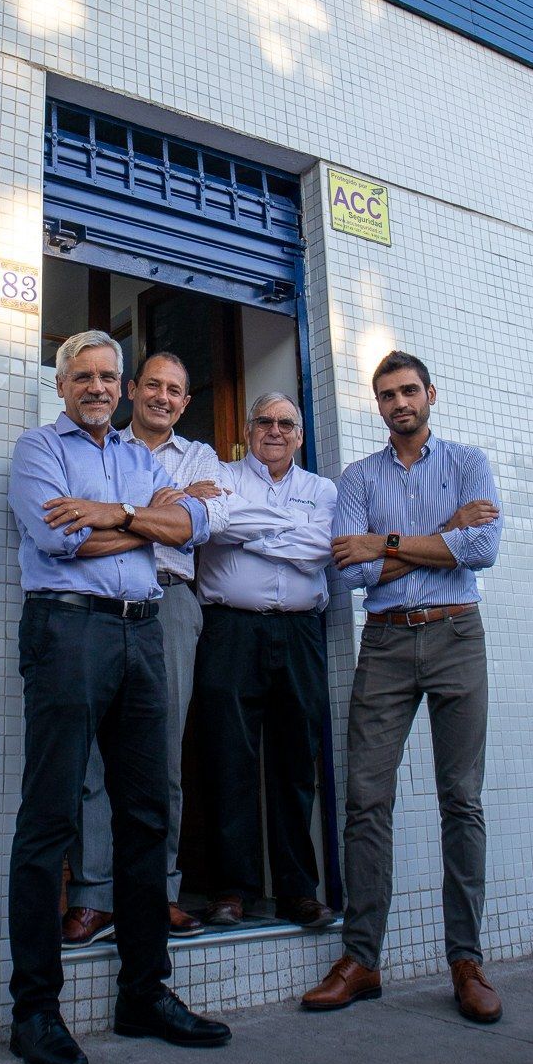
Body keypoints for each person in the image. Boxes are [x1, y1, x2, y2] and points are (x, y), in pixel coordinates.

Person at [7, 329, 231, 1064]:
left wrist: (111, 516)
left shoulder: (139, 457)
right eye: (86, 376)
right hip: (68, 630)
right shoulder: (38, 451)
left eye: (110, 377)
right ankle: (35, 1010)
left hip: (140, 637)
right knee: (52, 816)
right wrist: (141, 523)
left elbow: (190, 530)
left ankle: (144, 992)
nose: (99, 387)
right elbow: (54, 535)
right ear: (64, 383)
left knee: (146, 817)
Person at [301, 350, 504, 1024]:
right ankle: (361, 960)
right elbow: (348, 573)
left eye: (409, 390)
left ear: (430, 394)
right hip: (385, 644)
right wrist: (441, 535)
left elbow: (483, 549)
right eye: (387, 394)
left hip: (456, 637)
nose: (399, 403)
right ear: (379, 404)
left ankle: (466, 961)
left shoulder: (468, 462)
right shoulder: (358, 476)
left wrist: (384, 544)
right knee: (366, 801)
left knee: (461, 800)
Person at [63, 350, 230, 945]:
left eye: (175, 390)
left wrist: (125, 514)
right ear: (133, 390)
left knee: (162, 756)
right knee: (91, 755)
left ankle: (158, 892)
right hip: (103, 602)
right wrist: (158, 509)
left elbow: (206, 521)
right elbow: (75, 530)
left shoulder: (203, 458)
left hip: (173, 604)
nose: (163, 397)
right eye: (153, 386)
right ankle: (93, 897)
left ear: (186, 402)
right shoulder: (103, 447)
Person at [194, 392, 337, 929]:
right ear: (248, 429)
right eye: (263, 421)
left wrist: (256, 531)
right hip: (230, 629)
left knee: (295, 764)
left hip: (300, 633)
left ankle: (299, 890)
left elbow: (321, 547)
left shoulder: (322, 489)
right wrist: (283, 531)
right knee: (228, 759)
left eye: (285, 423)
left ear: (299, 435)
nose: (274, 431)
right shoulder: (220, 473)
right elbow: (218, 525)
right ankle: (232, 888)